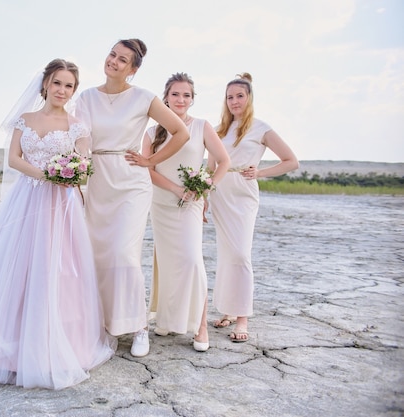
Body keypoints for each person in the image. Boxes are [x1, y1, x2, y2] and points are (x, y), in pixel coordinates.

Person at [0, 58, 116, 390]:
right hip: (26, 199)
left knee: (58, 269)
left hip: (61, 205)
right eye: (57, 82)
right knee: (13, 266)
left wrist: (70, 172)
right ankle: (2, 347)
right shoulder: (25, 119)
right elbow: (14, 159)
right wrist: (47, 173)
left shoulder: (77, 126)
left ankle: (54, 344)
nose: (62, 90)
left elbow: (85, 164)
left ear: (73, 90)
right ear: (46, 83)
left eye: (69, 85)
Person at [74, 39, 190, 358]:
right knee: (99, 256)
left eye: (122, 59)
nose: (113, 61)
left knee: (123, 255)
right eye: (111, 54)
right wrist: (77, 172)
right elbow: (82, 140)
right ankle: (106, 325)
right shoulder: (85, 98)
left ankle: (139, 327)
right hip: (98, 181)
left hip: (131, 182)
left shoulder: (144, 97)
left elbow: (181, 132)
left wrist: (151, 161)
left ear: (133, 69)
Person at [207, 73, 299, 342]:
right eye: (230, 97)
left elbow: (291, 161)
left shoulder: (260, 128)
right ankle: (227, 309)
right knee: (226, 253)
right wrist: (204, 197)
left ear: (249, 98)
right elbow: (209, 168)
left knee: (240, 253)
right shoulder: (218, 130)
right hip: (220, 194)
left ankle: (243, 316)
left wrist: (259, 172)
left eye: (239, 96)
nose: (234, 101)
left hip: (244, 194)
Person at [143, 73, 230, 352]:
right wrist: (174, 189)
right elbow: (147, 169)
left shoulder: (202, 127)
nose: (181, 100)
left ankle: (201, 325)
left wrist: (205, 188)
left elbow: (224, 162)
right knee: (169, 264)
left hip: (191, 203)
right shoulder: (151, 132)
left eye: (186, 95)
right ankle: (168, 320)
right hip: (162, 203)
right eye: (175, 94)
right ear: (165, 97)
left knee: (193, 262)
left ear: (192, 99)